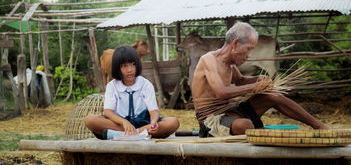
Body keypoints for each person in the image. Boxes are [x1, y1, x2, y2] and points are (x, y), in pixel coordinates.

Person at [192, 22, 329, 138]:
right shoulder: (209, 60)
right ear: (235, 44)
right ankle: (265, 137)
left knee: (272, 96)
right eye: (248, 49)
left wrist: (259, 79)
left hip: (230, 112)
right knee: (245, 125)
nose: (249, 55)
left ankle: (319, 126)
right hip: (211, 120)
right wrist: (256, 86)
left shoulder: (231, 64)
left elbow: (240, 81)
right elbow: (221, 92)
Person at [85, 45, 179, 139]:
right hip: (119, 124)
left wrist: (153, 123)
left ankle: (127, 134)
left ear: (137, 65)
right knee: (90, 120)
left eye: (133, 64)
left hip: (143, 123)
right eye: (124, 66)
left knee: (173, 122)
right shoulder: (112, 86)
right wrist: (124, 122)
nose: (130, 70)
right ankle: (138, 134)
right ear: (117, 68)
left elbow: (154, 111)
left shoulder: (146, 84)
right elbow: (108, 112)